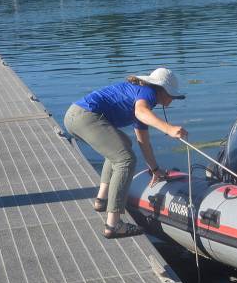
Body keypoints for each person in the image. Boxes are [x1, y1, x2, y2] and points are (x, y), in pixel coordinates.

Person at [64, 67, 188, 238]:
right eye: (172, 95)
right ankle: (113, 225)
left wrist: (154, 169)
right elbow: (140, 112)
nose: (173, 99)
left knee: (123, 145)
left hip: (75, 115)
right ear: (162, 90)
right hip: (85, 117)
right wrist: (169, 128)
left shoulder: (142, 99)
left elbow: (143, 141)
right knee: (126, 159)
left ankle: (102, 200)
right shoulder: (147, 93)